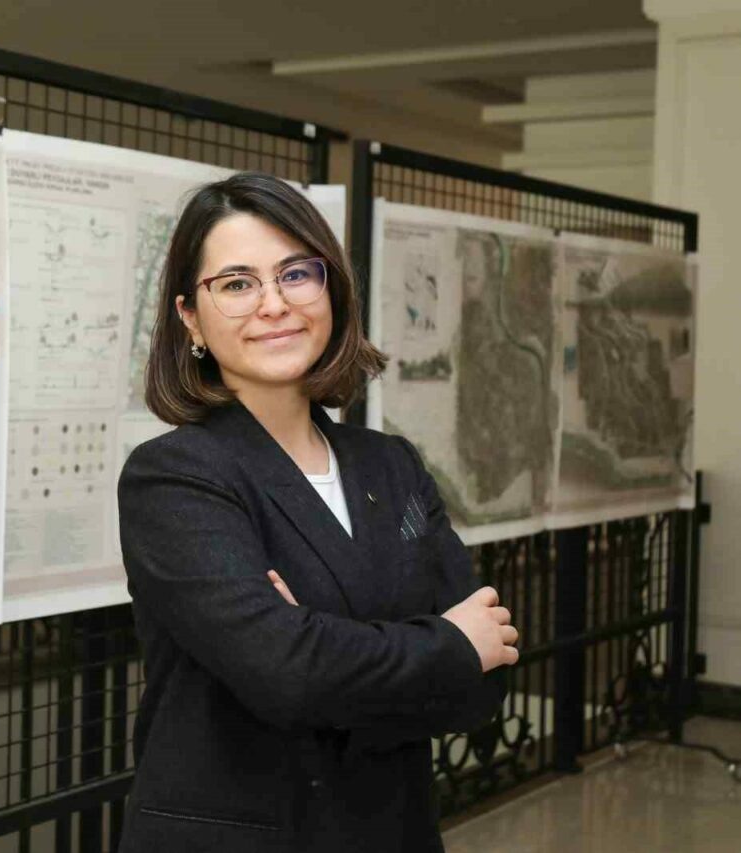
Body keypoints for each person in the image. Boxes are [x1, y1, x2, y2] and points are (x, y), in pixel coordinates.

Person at [116, 172, 519, 853]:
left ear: (330, 288)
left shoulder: (391, 464)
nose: (274, 304)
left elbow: (488, 680)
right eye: (237, 284)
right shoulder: (176, 476)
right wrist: (447, 645)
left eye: (296, 274)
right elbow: (287, 673)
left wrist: (323, 650)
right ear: (191, 317)